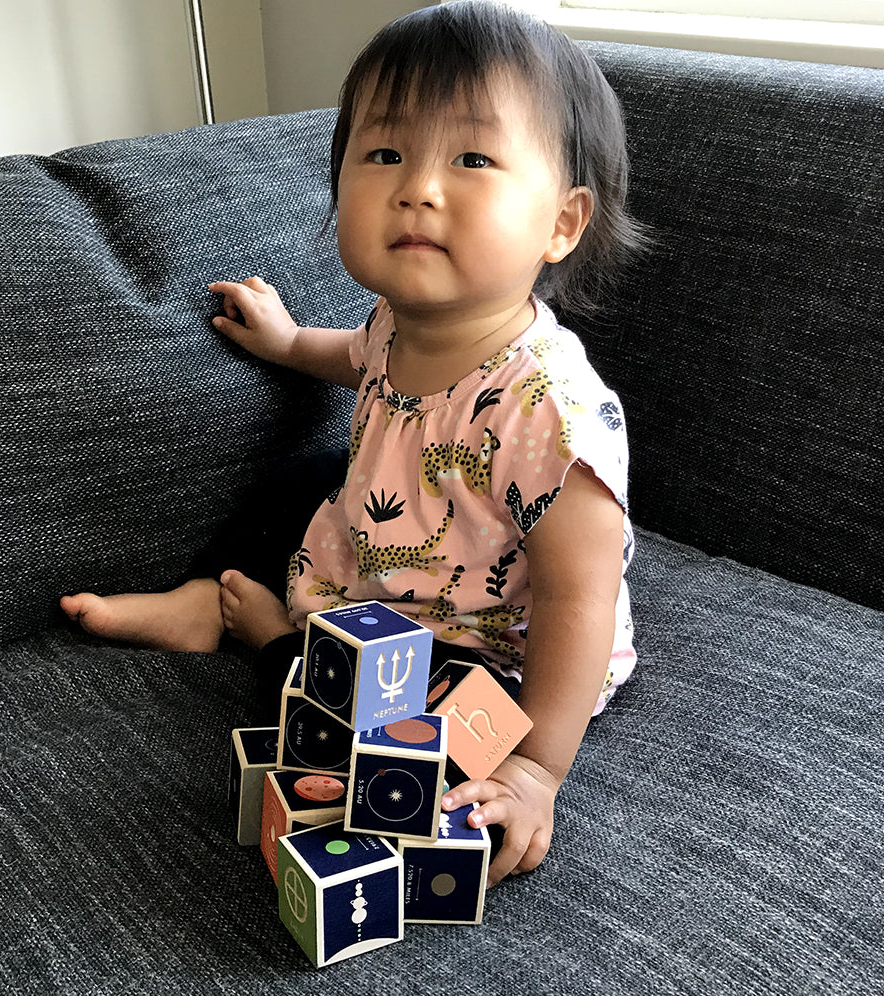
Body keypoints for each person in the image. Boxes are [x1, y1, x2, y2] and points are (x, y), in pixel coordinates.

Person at [60, 0, 647, 886]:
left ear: (562, 223)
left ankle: (257, 633)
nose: (418, 185)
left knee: (343, 719)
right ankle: (208, 597)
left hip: (485, 646)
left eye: (474, 158)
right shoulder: (396, 323)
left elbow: (578, 600)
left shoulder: (548, 413)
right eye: (384, 154)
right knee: (296, 478)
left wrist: (534, 770)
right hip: (374, 558)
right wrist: (290, 343)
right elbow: (357, 360)